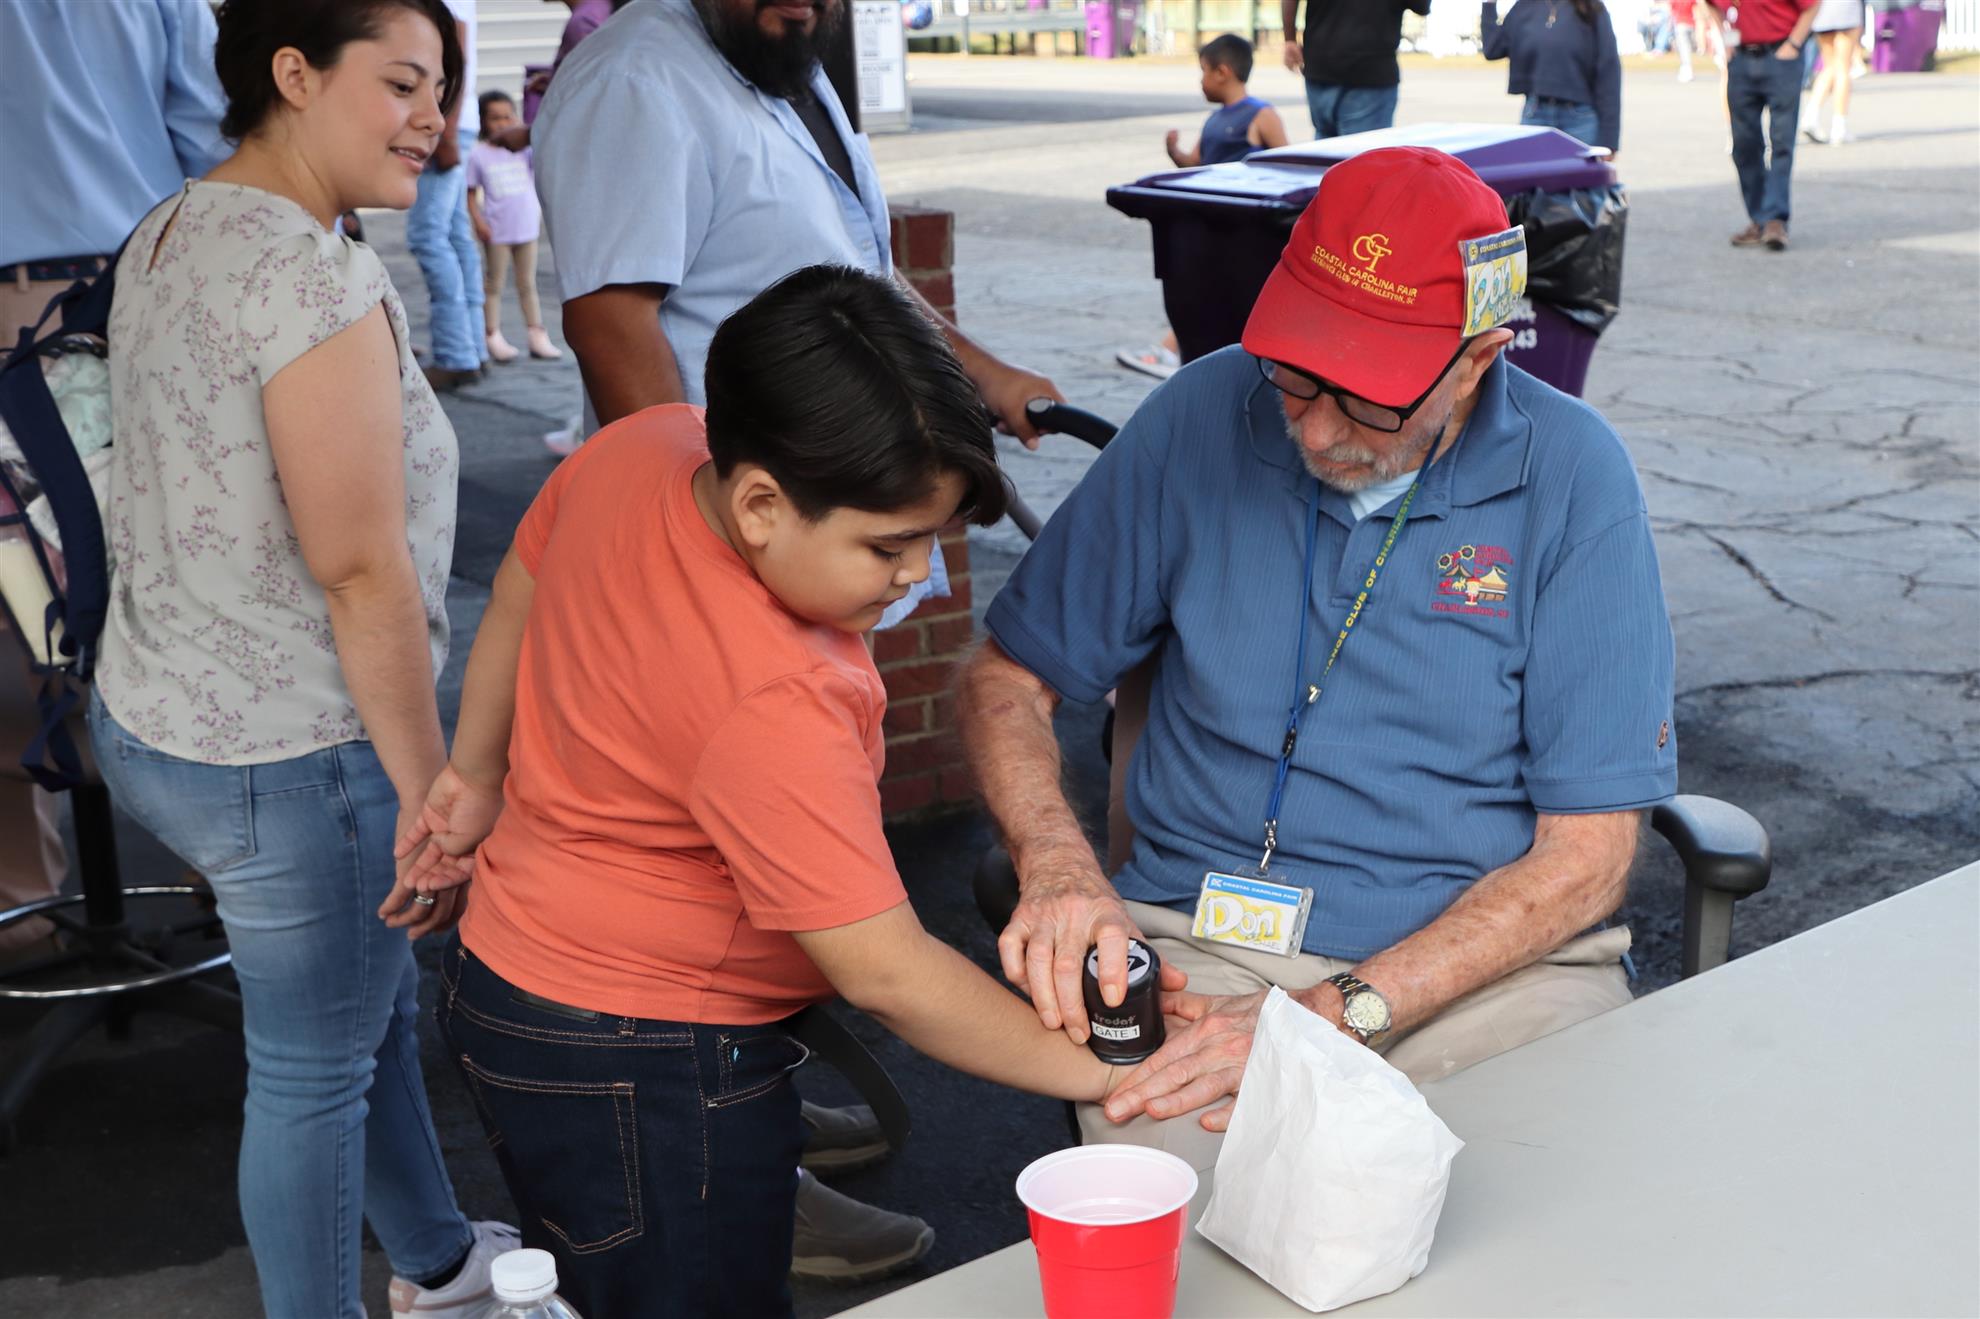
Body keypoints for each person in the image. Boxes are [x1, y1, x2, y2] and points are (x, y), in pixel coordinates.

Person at [397, 265, 1185, 1315]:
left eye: (933, 539)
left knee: (605, 1274)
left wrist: (472, 777)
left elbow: (519, 587)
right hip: (648, 1062)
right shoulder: (774, 692)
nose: (916, 573)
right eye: (887, 544)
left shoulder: (648, 443)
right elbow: (887, 971)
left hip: (509, 982)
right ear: (762, 503)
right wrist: (1114, 1073)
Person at [960, 146, 1678, 1172]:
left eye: (1370, 395)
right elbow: (1007, 677)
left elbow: (1589, 854)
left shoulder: (1573, 476)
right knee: (1222, 1229)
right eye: (1298, 374)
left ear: (1478, 356)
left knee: (1552, 1208)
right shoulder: (1202, 413)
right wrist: (1057, 862)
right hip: (1204, 954)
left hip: (1491, 975)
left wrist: (1336, 1011)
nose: (1320, 426)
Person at [532, 0, 1064, 1275]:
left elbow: (858, 283)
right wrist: (1102, 1070)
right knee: (769, 866)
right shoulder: (638, 81)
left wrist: (972, 370)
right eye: (897, 551)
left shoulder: (779, 61)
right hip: (613, 1027)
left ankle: (747, 1100)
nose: (809, 6)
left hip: (785, 540)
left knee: (763, 868)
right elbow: (613, 319)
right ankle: (738, 1159)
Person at [86, 3, 514, 1313]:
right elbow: (361, 566)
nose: (433, 121)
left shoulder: (172, 224)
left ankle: (438, 1259)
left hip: (157, 711)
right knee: (314, 1070)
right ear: (294, 74)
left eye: (440, 90)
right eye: (403, 84)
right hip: (297, 752)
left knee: (356, 1021)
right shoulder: (309, 277)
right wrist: (435, 794)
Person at [0, 0, 228, 970]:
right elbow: (215, 137)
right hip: (133, 292)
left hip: (91, 296)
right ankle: (235, 875)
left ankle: (25, 916)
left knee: (17, 630)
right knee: (188, 588)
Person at [1121, 34, 1289, 381]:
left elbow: (1286, 164)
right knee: (1202, 294)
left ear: (1222, 72)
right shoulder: (1213, 120)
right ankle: (1178, 351)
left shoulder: (1261, 114)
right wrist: (1175, 153)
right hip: (1209, 225)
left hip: (1244, 227)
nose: (1201, 80)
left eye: (1204, 71)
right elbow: (1196, 164)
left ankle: (1171, 350)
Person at [406, 0, 485, 391]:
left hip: (445, 124)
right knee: (453, 235)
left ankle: (456, 354)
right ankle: (472, 348)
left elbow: (455, 54)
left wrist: (446, 131)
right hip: (454, 121)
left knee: (429, 236)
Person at [466, 91, 560, 363]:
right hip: (497, 231)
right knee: (494, 284)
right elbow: (470, 193)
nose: (502, 123)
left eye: (508, 116)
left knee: (527, 283)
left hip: (526, 228)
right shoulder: (478, 155)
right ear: (483, 121)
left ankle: (536, 333)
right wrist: (479, 222)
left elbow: (544, 162)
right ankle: (491, 333)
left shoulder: (524, 151)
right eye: (495, 118)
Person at [1723, 0, 1819, 250]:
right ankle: (1760, 217)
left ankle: (1775, 219)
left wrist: (1794, 43)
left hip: (1780, 56)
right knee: (1744, 144)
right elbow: (1708, 4)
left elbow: (1812, 6)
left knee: (1781, 141)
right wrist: (1722, 35)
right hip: (1742, 58)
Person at [1481, 0, 1623, 155]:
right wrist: (1489, 4)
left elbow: (1609, 72)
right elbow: (1492, 48)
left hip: (1580, 119)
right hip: (1535, 114)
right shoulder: (1524, 6)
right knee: (1532, 170)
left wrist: (1609, 140)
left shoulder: (1591, 8)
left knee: (1579, 171)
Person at [1280, 0, 1431, 139]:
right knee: (1361, 155)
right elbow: (1421, 6)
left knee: (1325, 151)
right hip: (1369, 72)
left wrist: (1290, 39)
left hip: (1320, 66)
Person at [1801, 0, 1865, 144]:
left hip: (1822, 11)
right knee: (1843, 68)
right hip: (1846, 10)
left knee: (1830, 66)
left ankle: (1811, 115)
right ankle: (1839, 126)